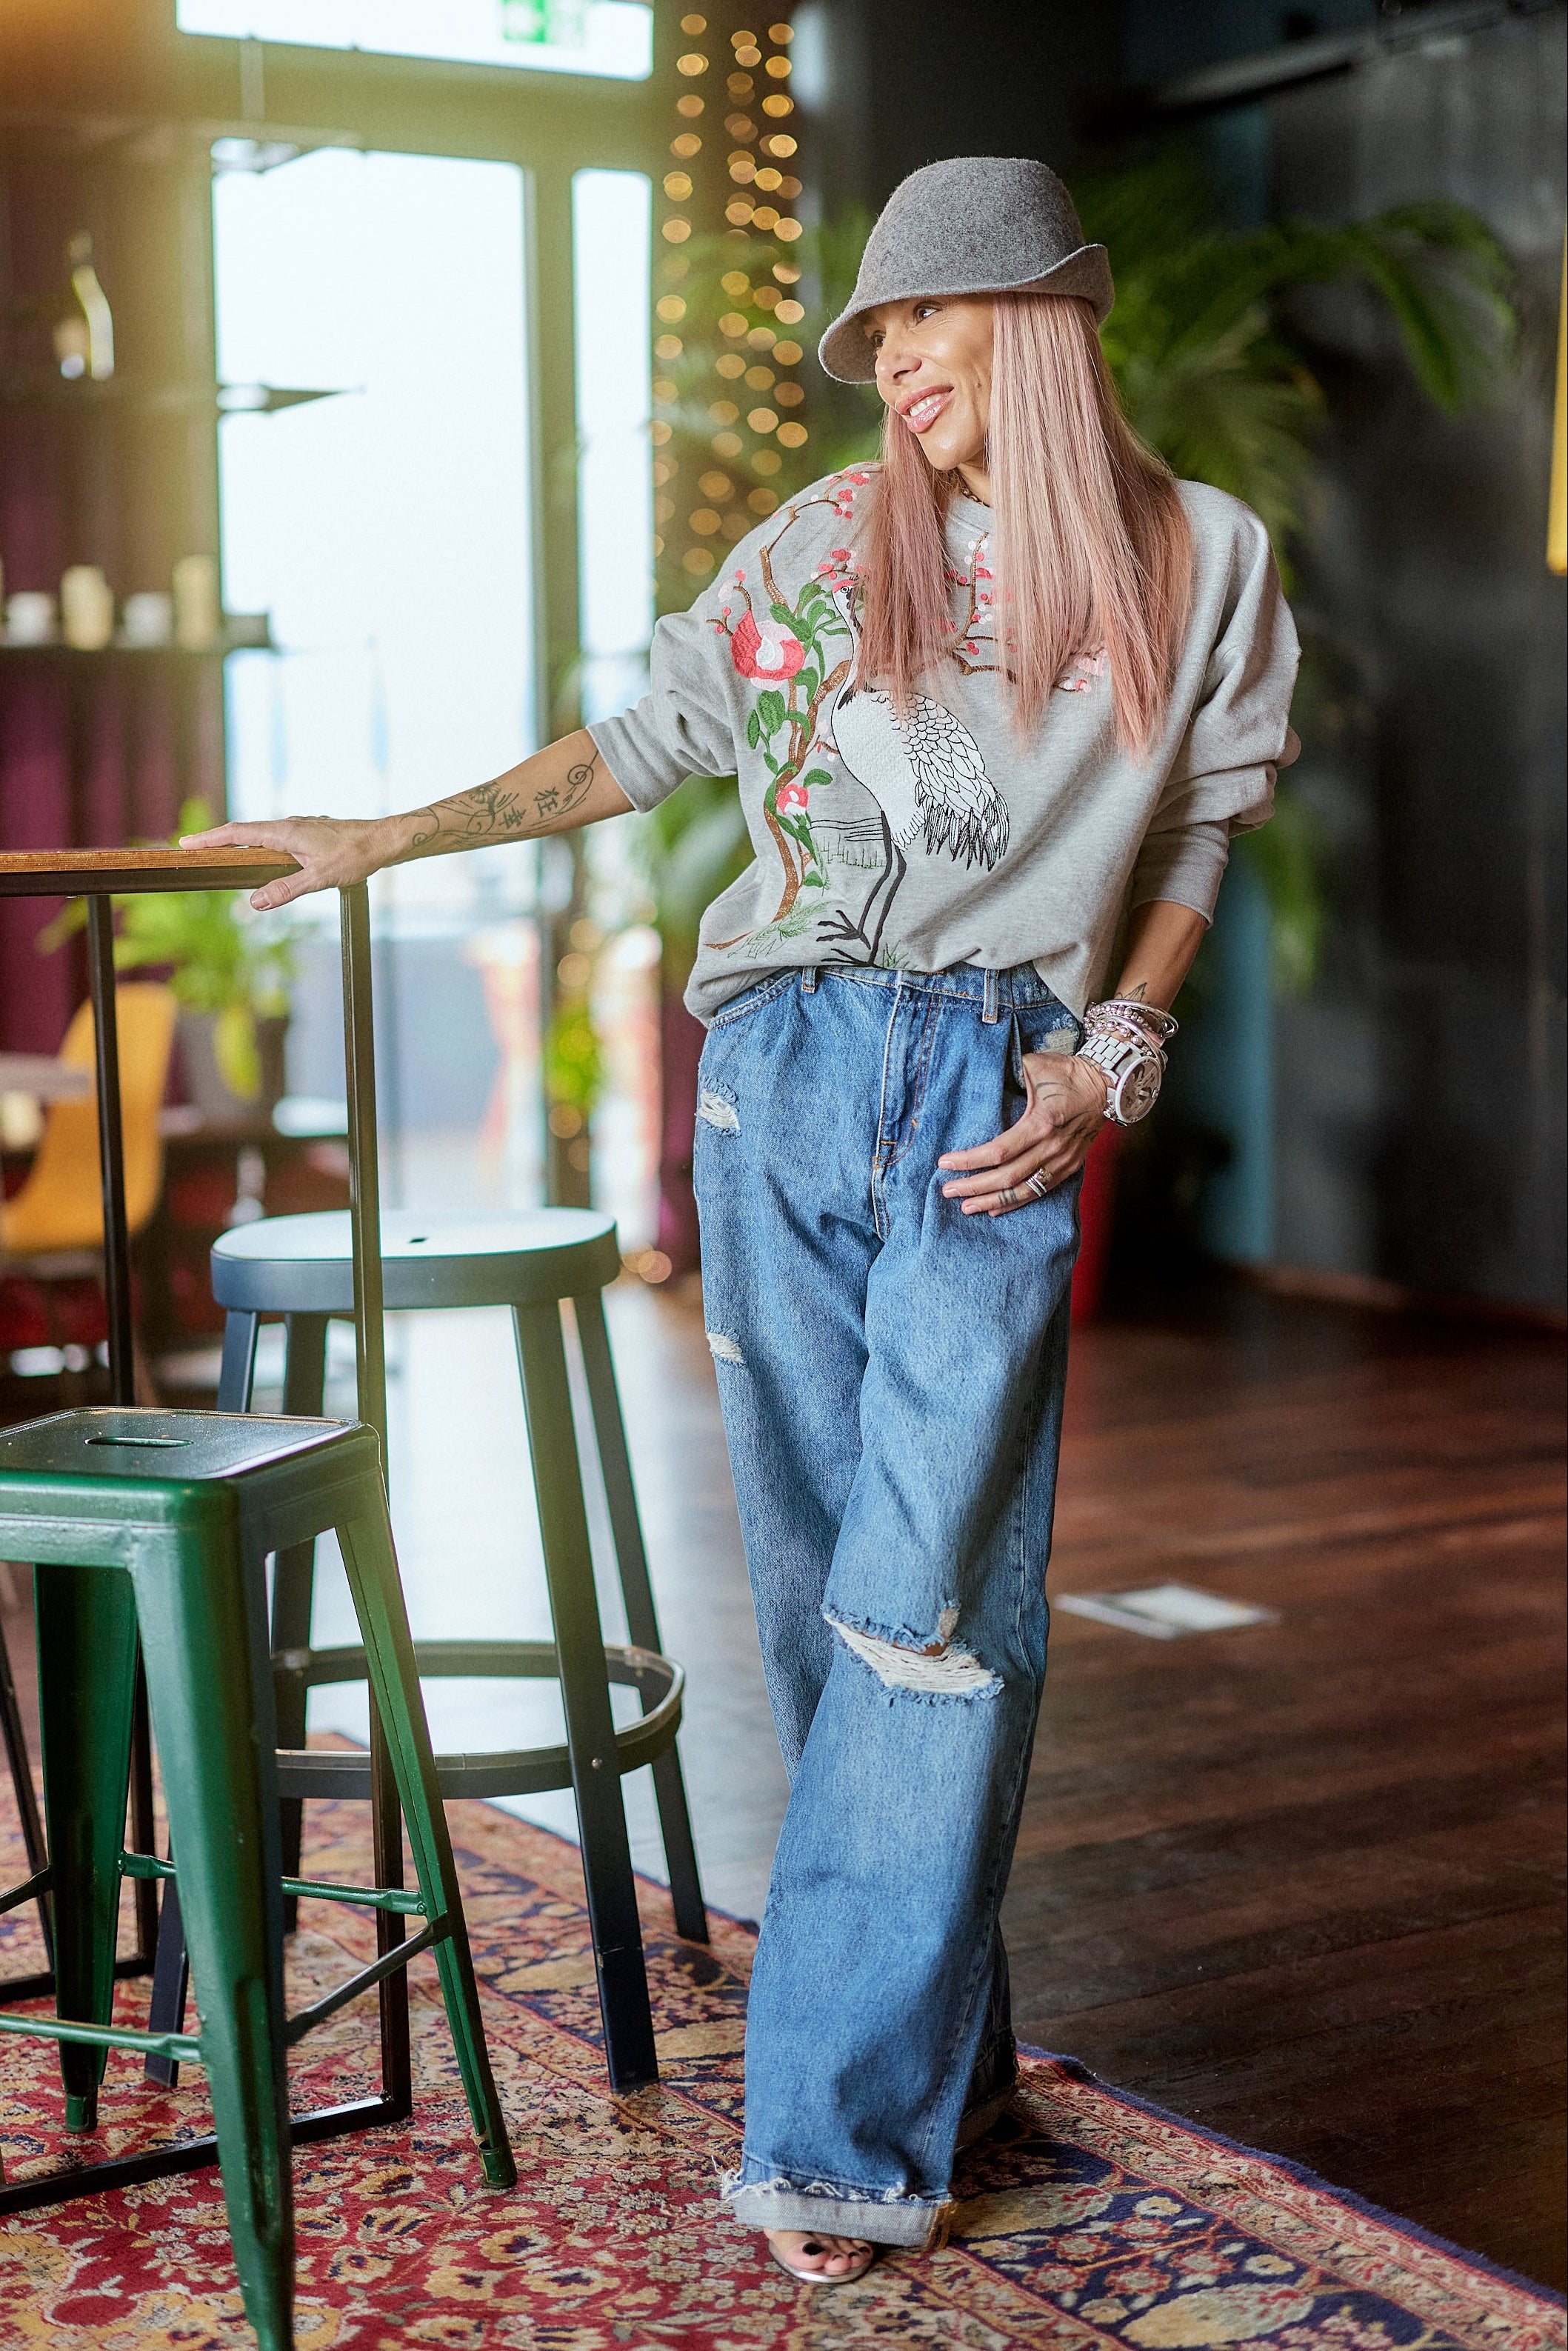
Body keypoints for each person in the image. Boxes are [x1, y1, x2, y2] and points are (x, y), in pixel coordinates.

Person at [184, 156, 1299, 2288]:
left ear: (1035, 321)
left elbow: (1205, 826)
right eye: (875, 339)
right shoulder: (820, 544)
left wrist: (1116, 1052)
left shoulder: (1200, 558)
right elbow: (645, 744)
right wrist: (387, 836)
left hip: (991, 1089)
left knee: (921, 1602)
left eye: (923, 325)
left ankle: (832, 2146)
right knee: (819, 1599)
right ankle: (946, 2073)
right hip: (781, 1067)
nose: (891, 368)